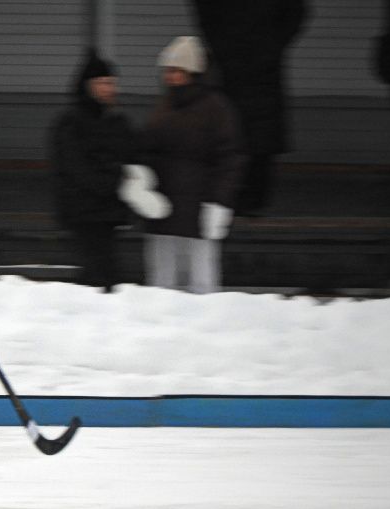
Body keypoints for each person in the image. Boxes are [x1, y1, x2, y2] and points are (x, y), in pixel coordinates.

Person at [50, 49, 169, 292]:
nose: (108, 88)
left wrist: (137, 174)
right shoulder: (71, 122)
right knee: (99, 273)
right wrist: (116, 181)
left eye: (111, 83)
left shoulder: (116, 121)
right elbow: (77, 168)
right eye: (102, 83)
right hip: (83, 210)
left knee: (102, 272)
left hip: (106, 211)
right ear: (87, 86)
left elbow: (134, 153)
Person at [140, 36, 245, 295]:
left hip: (199, 204)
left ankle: (201, 325)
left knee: (201, 277)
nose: (169, 76)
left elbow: (230, 157)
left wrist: (220, 202)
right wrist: (141, 184)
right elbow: (149, 149)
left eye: (175, 70)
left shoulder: (216, 108)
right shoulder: (165, 106)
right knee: (161, 275)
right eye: (167, 70)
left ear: (192, 72)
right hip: (164, 205)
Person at [193, 0, 308, 217]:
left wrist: (272, 46)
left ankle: (252, 198)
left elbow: (296, 12)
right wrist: (221, 45)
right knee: (230, 129)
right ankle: (232, 195)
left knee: (260, 133)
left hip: (259, 63)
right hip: (234, 62)